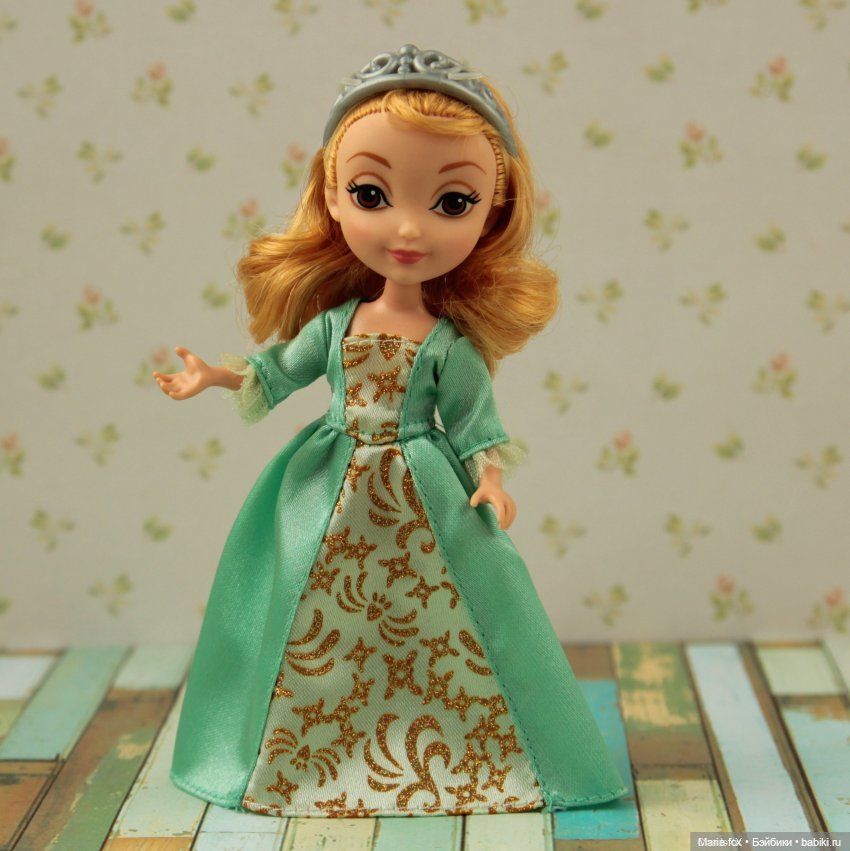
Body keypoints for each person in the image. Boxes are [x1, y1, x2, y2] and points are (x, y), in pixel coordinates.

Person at [154, 44, 627, 818]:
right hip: (327, 486)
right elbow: (278, 371)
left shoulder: (447, 343)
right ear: (332, 196)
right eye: (371, 193)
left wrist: (491, 479)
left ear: (491, 212)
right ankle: (299, 751)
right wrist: (212, 375)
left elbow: (474, 421)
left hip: (423, 487)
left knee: (444, 615)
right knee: (315, 610)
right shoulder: (336, 324)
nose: (409, 228)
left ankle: (465, 747)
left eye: (452, 202)